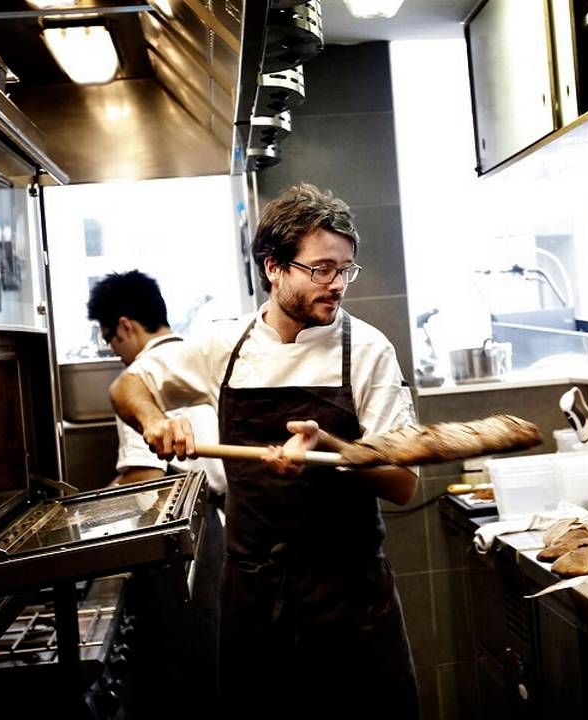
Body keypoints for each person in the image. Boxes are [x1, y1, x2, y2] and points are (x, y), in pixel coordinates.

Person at [109, 183, 420, 717]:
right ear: (274, 267)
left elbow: (405, 483)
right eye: (321, 269)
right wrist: (156, 421)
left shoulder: (367, 351)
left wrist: (333, 449)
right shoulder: (223, 346)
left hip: (349, 597)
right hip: (254, 594)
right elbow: (127, 388)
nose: (338, 284)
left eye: (346, 269)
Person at [87, 270, 227, 711]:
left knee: (188, 681)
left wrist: (85, 518)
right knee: (218, 668)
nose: (114, 350)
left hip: (184, 553)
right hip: (224, 534)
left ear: (126, 326)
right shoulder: (198, 359)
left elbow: (143, 479)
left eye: (110, 338)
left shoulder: (143, 378)